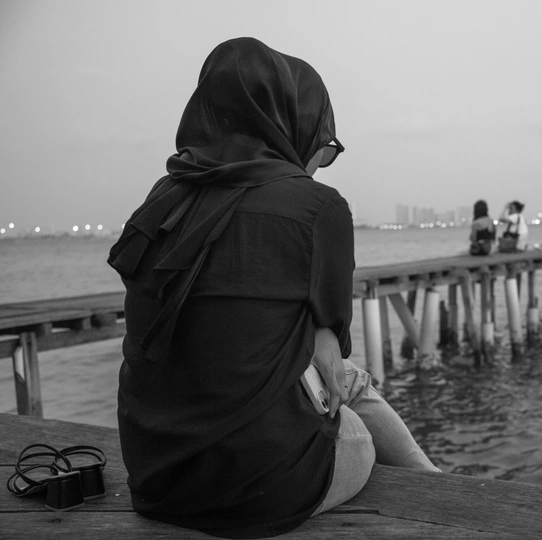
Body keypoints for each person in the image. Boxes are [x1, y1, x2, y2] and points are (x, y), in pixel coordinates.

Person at [107, 38, 437, 539]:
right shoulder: (317, 206)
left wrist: (317, 335)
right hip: (266, 494)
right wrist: (322, 332)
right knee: (351, 397)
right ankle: (446, 491)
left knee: (320, 373)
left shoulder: (162, 200)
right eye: (321, 149)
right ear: (290, 128)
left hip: (156, 483)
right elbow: (334, 344)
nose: (315, 165)